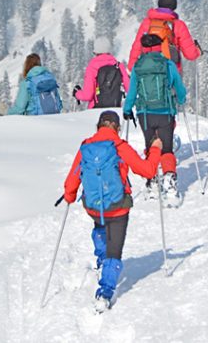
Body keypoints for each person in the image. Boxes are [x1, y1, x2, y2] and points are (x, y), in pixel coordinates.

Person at [63, 110, 163, 312]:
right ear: (117, 128)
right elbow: (148, 170)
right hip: (118, 208)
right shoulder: (119, 146)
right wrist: (155, 149)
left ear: (98, 127)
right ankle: (105, 292)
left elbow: (73, 178)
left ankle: (102, 259)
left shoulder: (86, 147)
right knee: (114, 252)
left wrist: (69, 195)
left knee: (100, 225)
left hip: (93, 206)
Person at [123, 34, 187, 206]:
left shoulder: (138, 67)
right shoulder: (168, 64)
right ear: (160, 46)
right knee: (166, 148)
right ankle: (170, 183)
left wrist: (127, 109)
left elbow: (132, 91)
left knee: (151, 146)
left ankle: (152, 181)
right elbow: (179, 87)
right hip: (165, 111)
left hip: (145, 114)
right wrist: (181, 99)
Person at [127, 0, 202, 75]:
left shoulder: (147, 23)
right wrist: (198, 51)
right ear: (174, 6)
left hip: (147, 71)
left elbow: (137, 47)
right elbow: (190, 55)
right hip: (171, 73)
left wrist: (132, 67)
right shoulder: (178, 25)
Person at [72, 37, 130, 109]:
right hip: (115, 108)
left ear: (95, 52)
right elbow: (130, 89)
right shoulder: (118, 66)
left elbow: (88, 95)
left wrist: (77, 93)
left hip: (96, 109)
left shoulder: (92, 67)